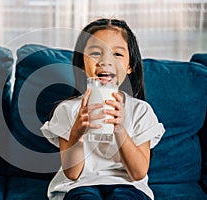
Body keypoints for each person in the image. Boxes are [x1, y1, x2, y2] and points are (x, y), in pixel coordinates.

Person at [40, 18, 165, 200]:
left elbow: (138, 173)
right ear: (82, 64)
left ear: (130, 66)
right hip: (79, 184)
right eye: (95, 53)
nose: (105, 61)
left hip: (127, 185)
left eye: (117, 54)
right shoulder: (67, 110)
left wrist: (120, 129)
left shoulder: (140, 111)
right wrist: (76, 134)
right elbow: (72, 174)